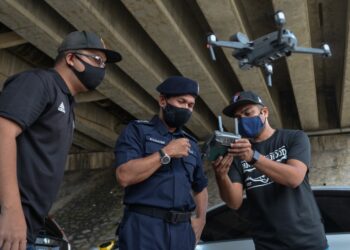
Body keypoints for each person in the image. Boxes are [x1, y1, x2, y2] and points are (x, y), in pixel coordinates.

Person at [0, 30, 121, 250]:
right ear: (71, 58)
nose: (101, 69)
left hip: (31, 228)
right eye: (96, 60)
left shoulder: (66, 102)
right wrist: (11, 211)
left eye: (104, 64)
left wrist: (45, 219)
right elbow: (2, 133)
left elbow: (35, 165)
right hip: (9, 228)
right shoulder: (39, 83)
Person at [212, 91, 328, 250]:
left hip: (308, 242)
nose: (243, 120)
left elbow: (294, 178)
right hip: (267, 244)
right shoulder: (238, 154)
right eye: (238, 117)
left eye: (248, 113)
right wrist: (221, 176)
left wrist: (253, 157)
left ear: (264, 112)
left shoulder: (294, 138)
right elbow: (234, 202)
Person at [114, 76, 208, 250]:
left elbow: (200, 186)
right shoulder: (137, 131)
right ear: (163, 101)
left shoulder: (191, 144)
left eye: (190, 105)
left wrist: (201, 219)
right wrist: (166, 153)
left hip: (182, 232)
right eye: (181, 102)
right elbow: (124, 175)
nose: (186, 108)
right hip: (144, 228)